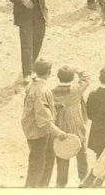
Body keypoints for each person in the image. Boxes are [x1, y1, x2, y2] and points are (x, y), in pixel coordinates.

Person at [5, 0, 59, 82]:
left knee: (38, 41)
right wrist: (21, 0)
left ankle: (31, 64)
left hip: (39, 13)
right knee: (26, 44)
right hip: (24, 15)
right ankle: (27, 73)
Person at [22, 59, 69, 188]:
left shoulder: (32, 84)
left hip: (33, 129)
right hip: (39, 132)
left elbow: (37, 107)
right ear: (49, 72)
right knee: (39, 165)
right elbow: (44, 120)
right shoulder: (42, 90)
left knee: (42, 160)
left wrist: (54, 105)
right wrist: (59, 133)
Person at [52, 67, 91, 187]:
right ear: (72, 77)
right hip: (77, 126)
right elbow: (86, 78)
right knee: (82, 154)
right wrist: (77, 70)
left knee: (62, 155)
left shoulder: (52, 92)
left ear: (58, 77)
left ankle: (61, 184)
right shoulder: (76, 89)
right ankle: (83, 179)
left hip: (60, 128)